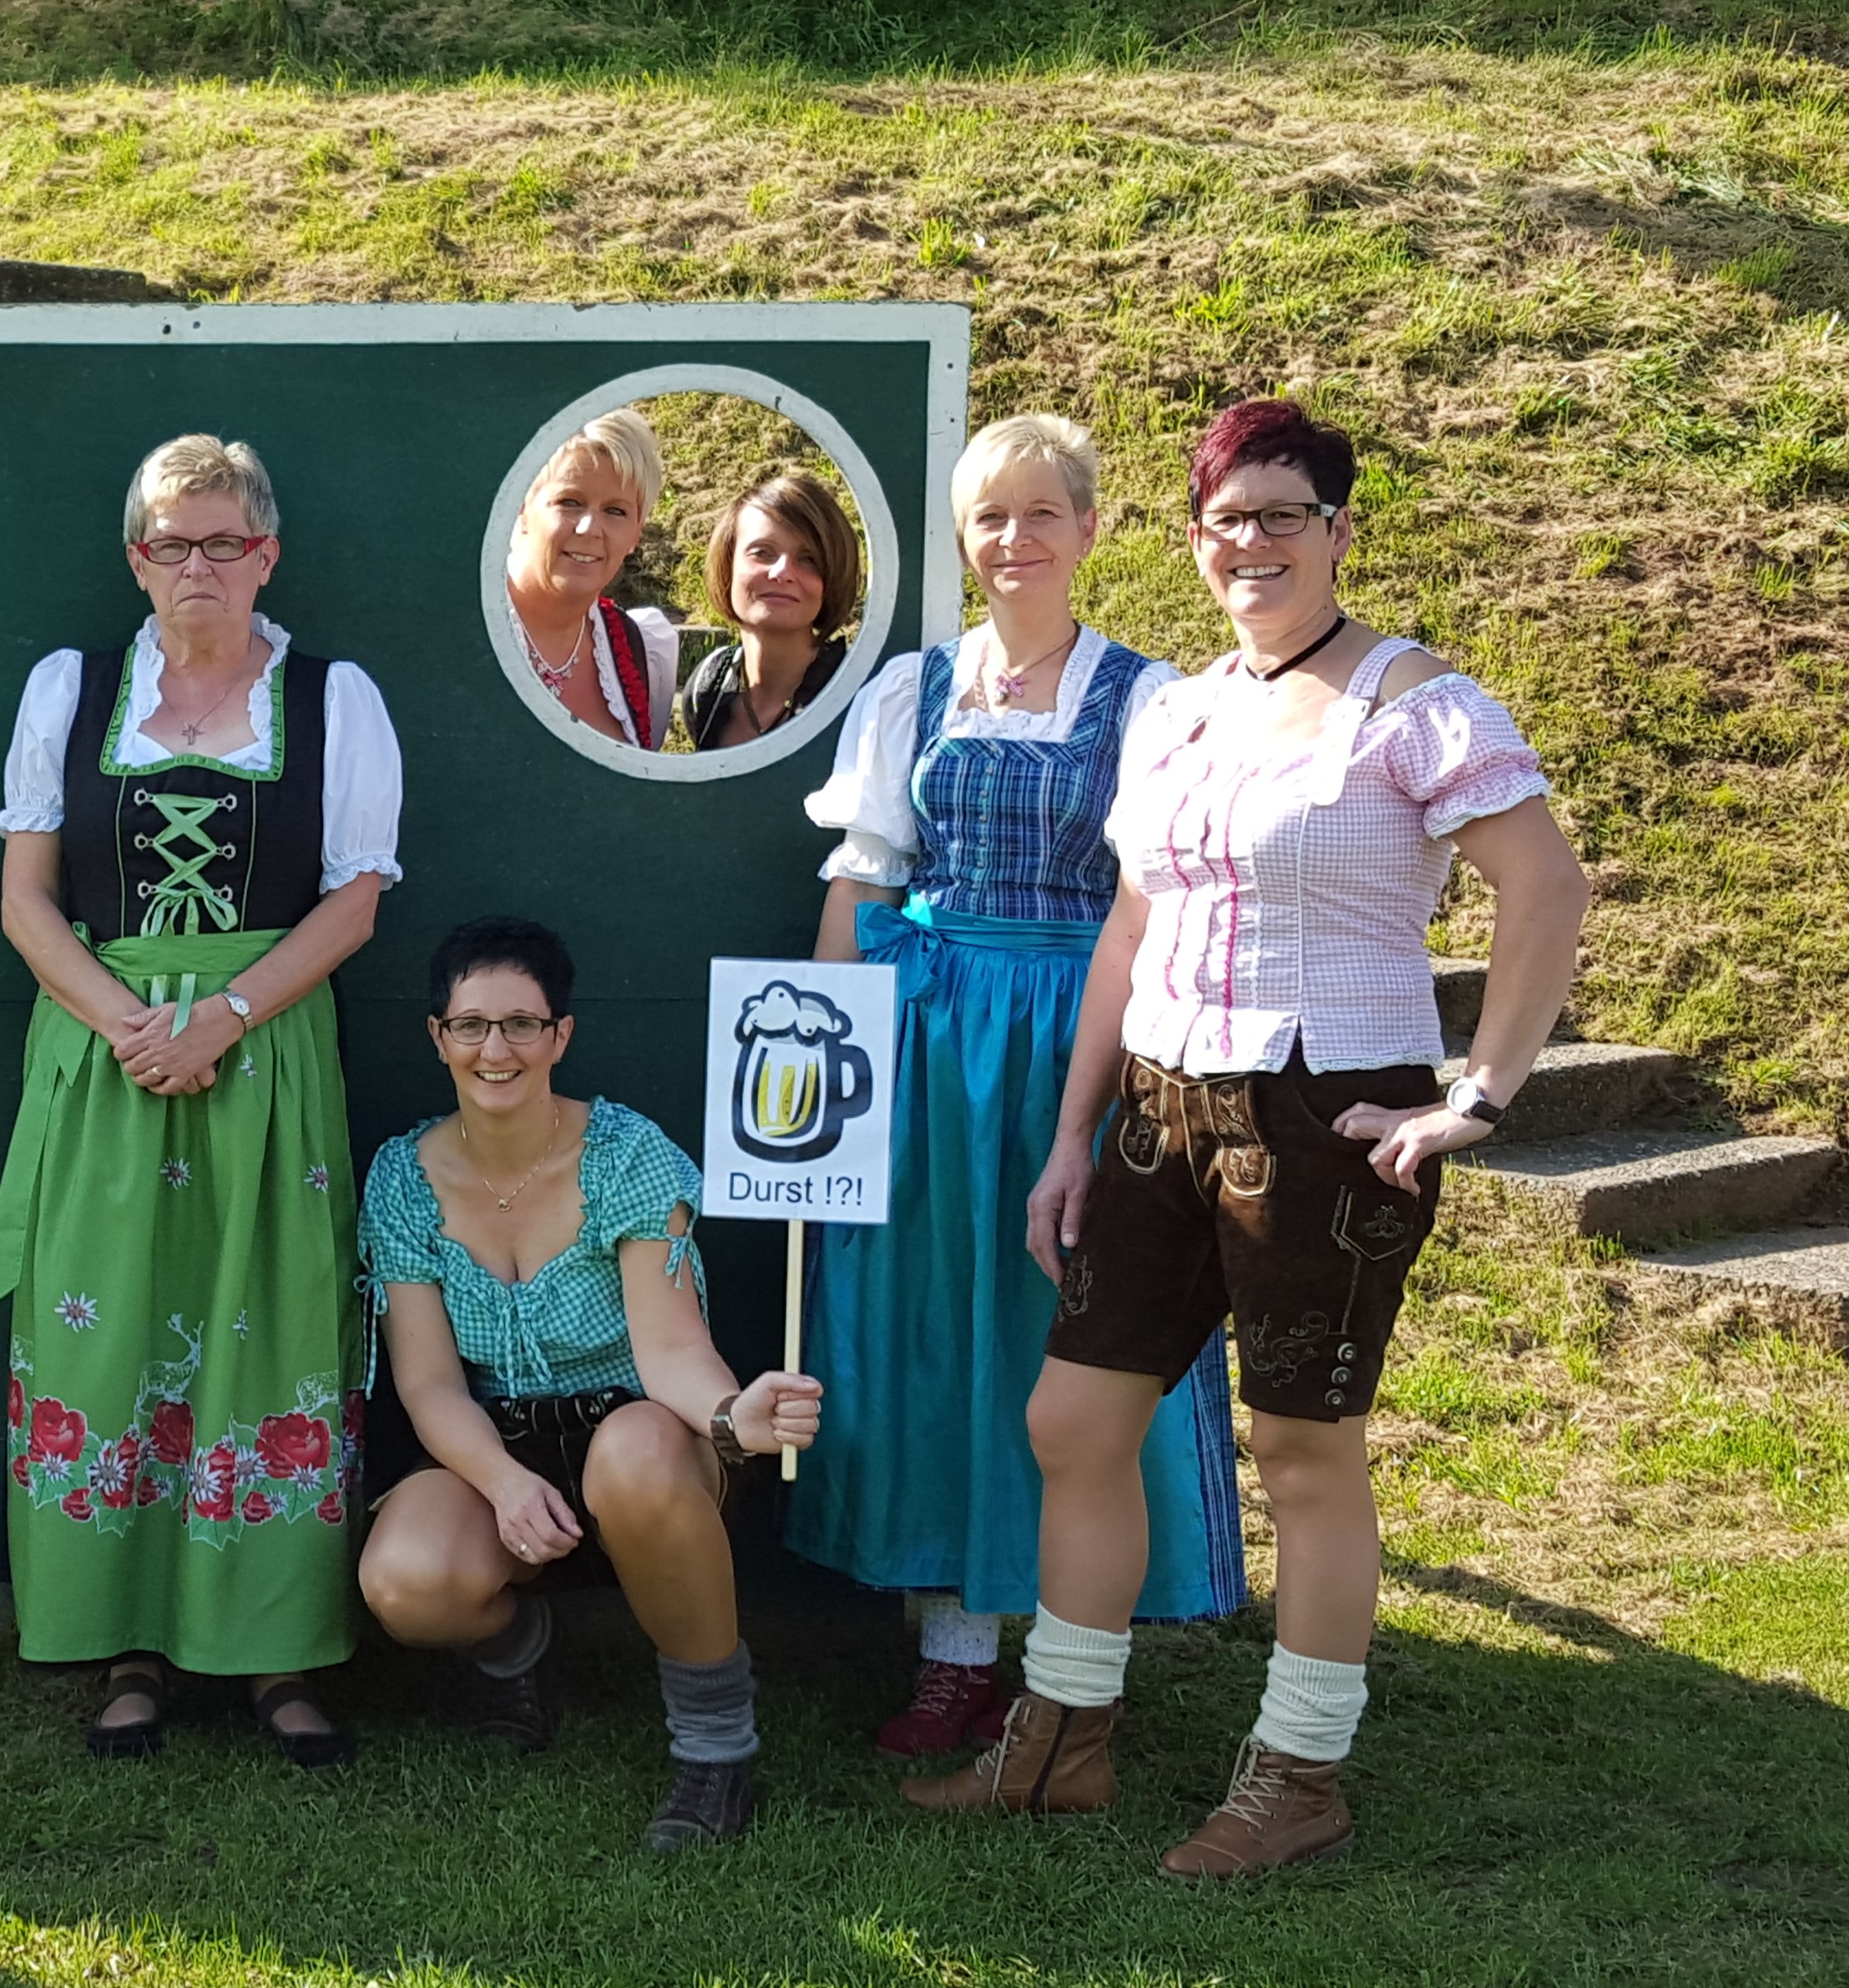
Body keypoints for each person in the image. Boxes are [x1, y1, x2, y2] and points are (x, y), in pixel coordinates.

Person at [906, 399, 1589, 1877]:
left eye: (1285, 515)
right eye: (1228, 519)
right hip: (1159, 1103)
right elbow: (1130, 927)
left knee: (1300, 1445)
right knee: (1072, 1420)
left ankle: (1298, 1776)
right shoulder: (1180, 708)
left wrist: (1477, 1094)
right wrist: (1073, 1133)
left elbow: (1546, 887)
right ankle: (1062, 1738)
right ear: (1194, 538)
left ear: (1338, 530)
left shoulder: (1414, 701)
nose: (1253, 544)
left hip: (1325, 1109)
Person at [788, 415, 1246, 1757]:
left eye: (1042, 512)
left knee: (1058, 1331)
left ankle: (1069, 1650)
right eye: (990, 516)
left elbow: (1160, 905)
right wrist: (820, 1053)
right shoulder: (915, 689)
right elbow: (865, 876)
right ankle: (951, 1652)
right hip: (927, 1042)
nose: (1014, 539)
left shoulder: (1150, 700)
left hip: (1075, 1037)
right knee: (932, 1325)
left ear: (1089, 530)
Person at [0, 433, 402, 1766]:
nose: (198, 566)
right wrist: (131, 1027)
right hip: (103, 1054)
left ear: (266, 555)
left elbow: (354, 901)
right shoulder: (72, 689)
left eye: (225, 542)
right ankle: (127, 1644)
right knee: (107, 1328)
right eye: (172, 543)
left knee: (266, 1324)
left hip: (264, 1051)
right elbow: (26, 901)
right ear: (137, 558)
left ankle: (275, 1647)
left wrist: (222, 1017)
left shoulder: (333, 699)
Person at [356, 918, 826, 1849]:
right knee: (405, 1581)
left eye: (522, 1024)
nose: (496, 1049)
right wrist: (502, 1481)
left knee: (634, 1456)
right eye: (471, 1025)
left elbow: (669, 1349)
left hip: (642, 1428)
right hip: (494, 1440)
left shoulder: (625, 1152)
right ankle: (517, 1655)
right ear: (438, 1036)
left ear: (560, 1035)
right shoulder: (402, 1176)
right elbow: (429, 1383)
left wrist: (729, 1414)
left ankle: (715, 1746)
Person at [504, 408, 680, 750]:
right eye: (569, 502)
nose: (589, 528)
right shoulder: (462, 627)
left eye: (616, 511)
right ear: (523, 511)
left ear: (636, 533)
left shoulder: (645, 652)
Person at [670, 473, 864, 752]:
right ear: (727, 565)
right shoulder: (708, 686)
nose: (782, 572)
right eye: (762, 553)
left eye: (809, 559)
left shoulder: (860, 695)